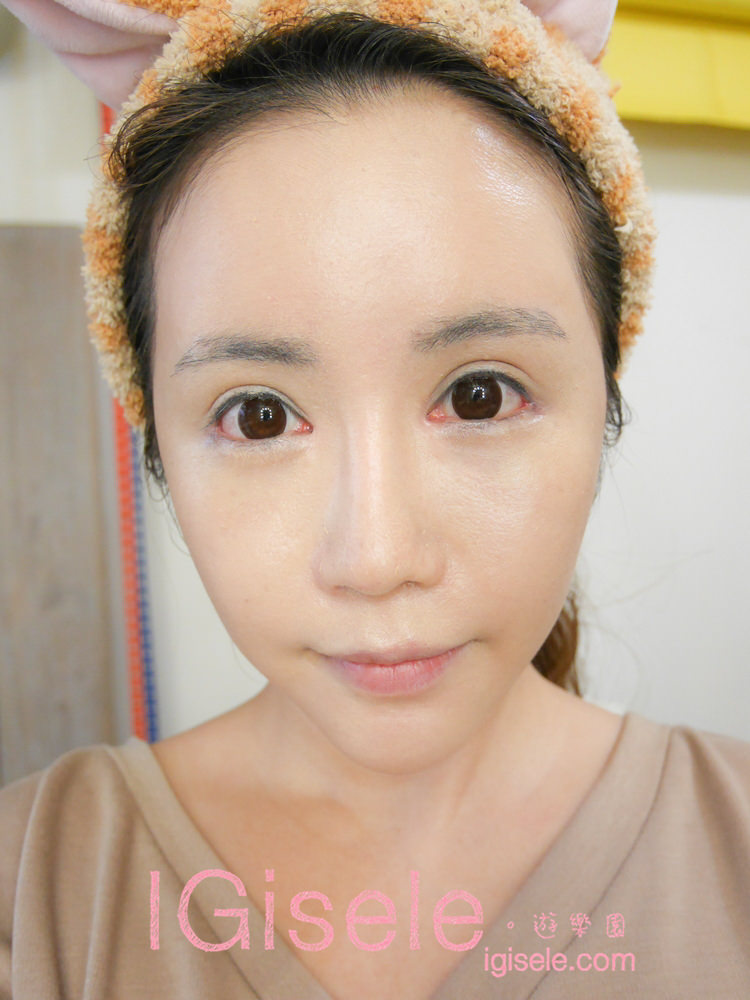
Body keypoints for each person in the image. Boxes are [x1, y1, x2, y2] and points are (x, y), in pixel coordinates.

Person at [1, 1, 749, 997]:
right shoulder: (34, 898)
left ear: (604, 399)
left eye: (479, 396)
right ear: (157, 446)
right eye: (260, 416)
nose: (376, 555)